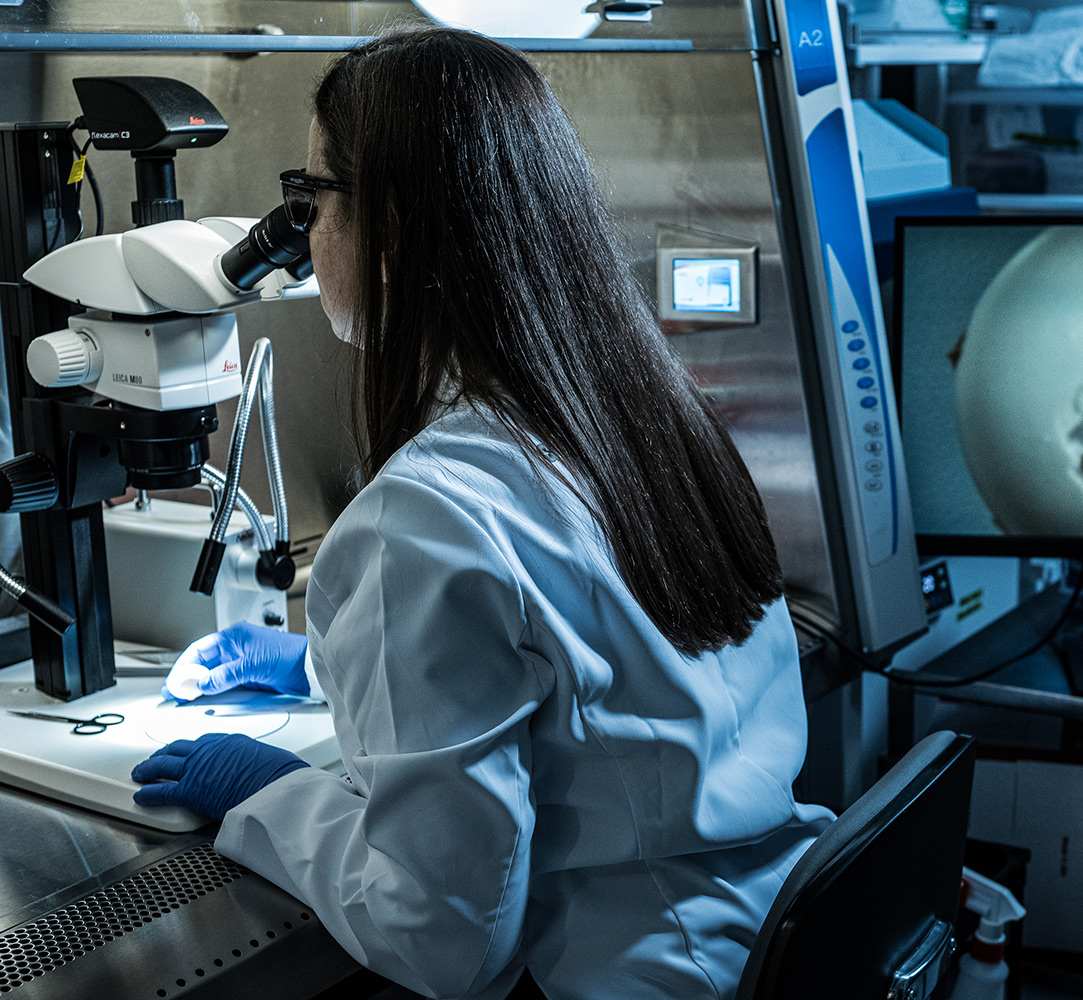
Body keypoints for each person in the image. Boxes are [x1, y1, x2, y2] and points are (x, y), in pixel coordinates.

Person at [132, 27, 833, 1000]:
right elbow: (621, 679)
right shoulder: (652, 417)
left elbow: (443, 941)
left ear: (394, 227)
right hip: (772, 925)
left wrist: (275, 799)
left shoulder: (425, 514)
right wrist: (334, 667)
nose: (303, 234)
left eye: (312, 196)